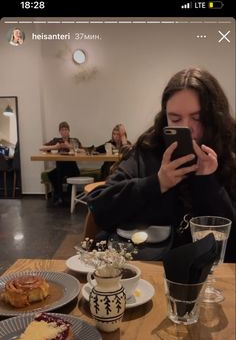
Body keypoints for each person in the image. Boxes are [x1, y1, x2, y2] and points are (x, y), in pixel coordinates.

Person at [87, 68, 236, 262]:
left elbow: (231, 243)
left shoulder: (230, 153)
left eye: (197, 118)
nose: (186, 127)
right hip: (148, 272)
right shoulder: (150, 148)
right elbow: (100, 209)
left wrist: (208, 182)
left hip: (214, 278)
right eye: (175, 118)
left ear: (215, 118)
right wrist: (157, 183)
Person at [40, 121, 82, 205]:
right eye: (62, 130)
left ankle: (67, 196)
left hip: (72, 167)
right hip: (60, 167)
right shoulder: (56, 140)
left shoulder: (74, 140)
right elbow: (41, 147)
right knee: (53, 174)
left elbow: (83, 150)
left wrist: (69, 146)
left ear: (69, 131)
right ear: (59, 131)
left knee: (60, 172)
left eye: (66, 129)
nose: (64, 131)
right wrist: (55, 147)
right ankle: (60, 196)